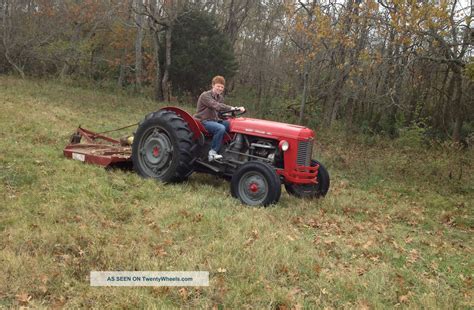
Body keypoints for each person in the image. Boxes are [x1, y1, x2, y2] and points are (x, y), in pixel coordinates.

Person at [194, 76, 245, 161]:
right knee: (220, 128)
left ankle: (230, 149)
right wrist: (233, 108)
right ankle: (212, 153)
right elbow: (216, 106)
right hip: (203, 121)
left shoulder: (220, 98)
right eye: (218, 86)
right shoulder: (205, 95)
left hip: (215, 120)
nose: (220, 88)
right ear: (213, 85)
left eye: (222, 87)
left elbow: (220, 112)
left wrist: (232, 114)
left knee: (232, 125)